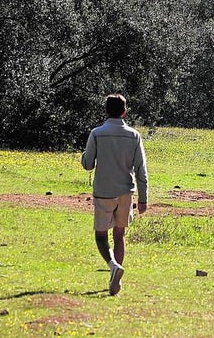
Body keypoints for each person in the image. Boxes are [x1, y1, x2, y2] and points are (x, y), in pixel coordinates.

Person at [81, 94, 149, 297]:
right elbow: (141, 169)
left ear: (106, 111)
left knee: (101, 235)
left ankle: (112, 266)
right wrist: (143, 198)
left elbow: (88, 164)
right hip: (126, 192)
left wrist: (84, 156)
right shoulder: (134, 135)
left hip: (103, 192)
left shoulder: (96, 133)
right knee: (119, 235)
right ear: (124, 112)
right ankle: (115, 276)